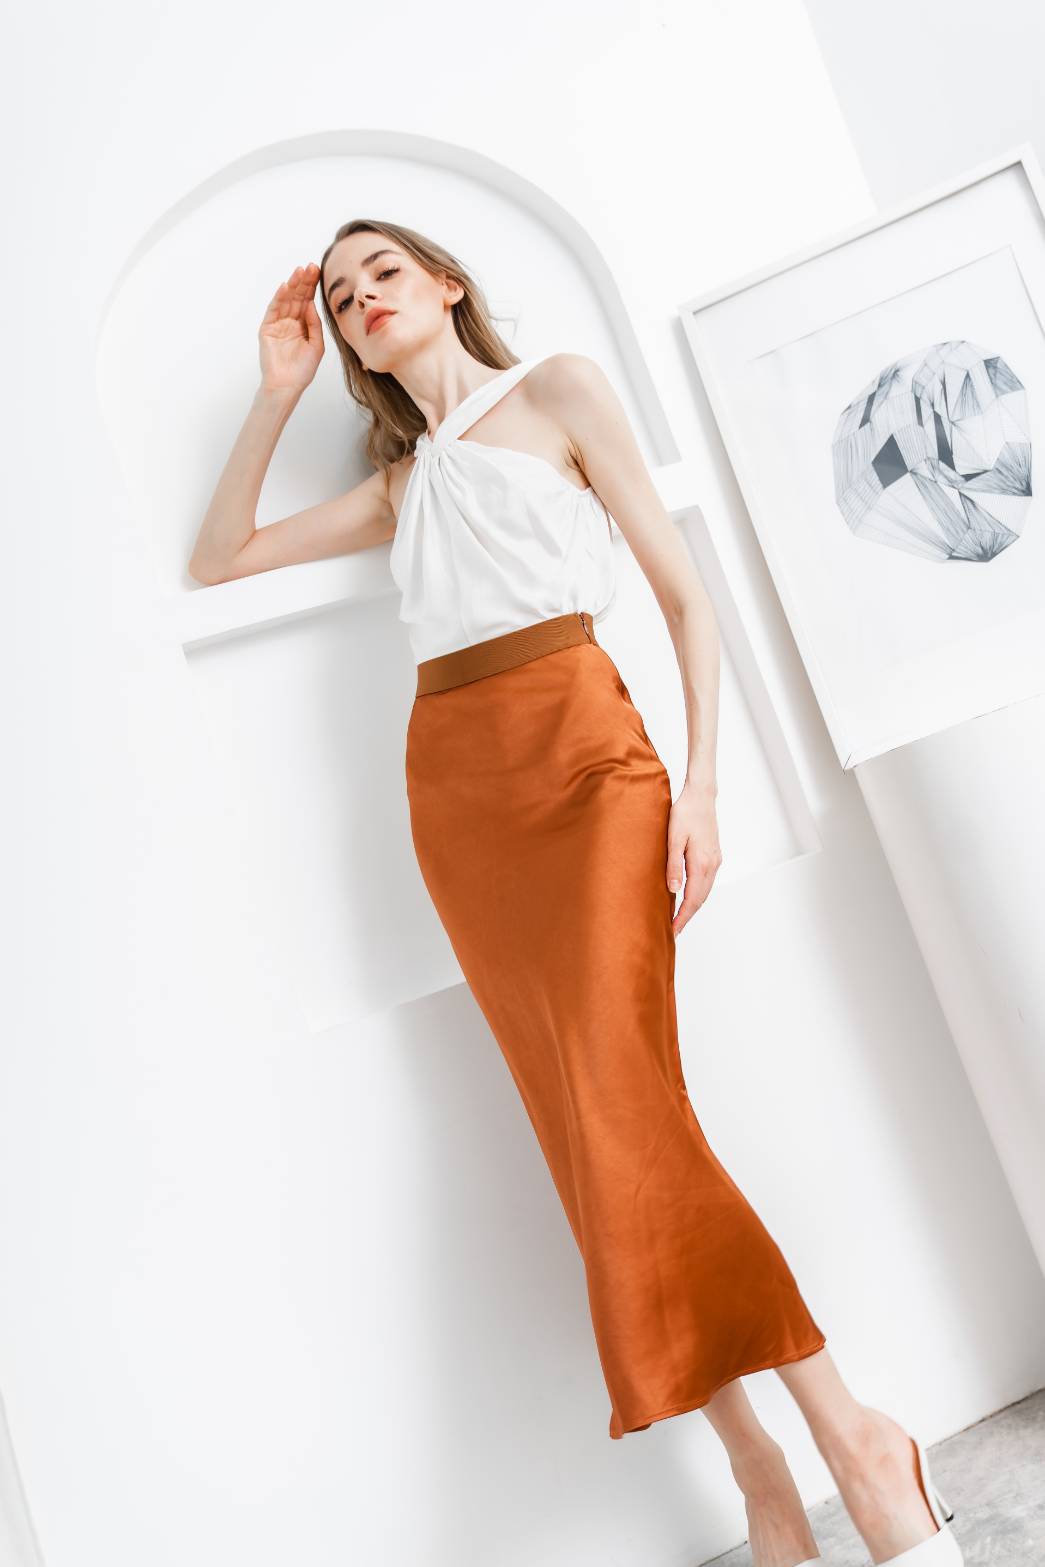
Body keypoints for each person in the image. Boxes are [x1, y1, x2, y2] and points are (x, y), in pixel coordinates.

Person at [187, 219, 963, 1567]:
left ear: (446, 284)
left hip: (588, 764)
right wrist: (274, 393)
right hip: (458, 801)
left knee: (624, 1113)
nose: (359, 300)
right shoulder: (401, 484)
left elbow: (685, 598)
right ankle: (762, 1466)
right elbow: (221, 556)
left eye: (381, 273)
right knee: (588, 1137)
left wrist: (702, 786)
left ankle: (855, 1442)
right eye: (339, 295)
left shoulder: (555, 390)